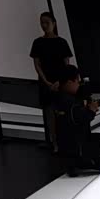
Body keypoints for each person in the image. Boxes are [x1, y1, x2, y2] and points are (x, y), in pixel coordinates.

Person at [54, 65, 100, 176]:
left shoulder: (59, 97)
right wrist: (91, 110)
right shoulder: (71, 103)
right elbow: (81, 119)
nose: (78, 85)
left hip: (64, 143)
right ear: (70, 82)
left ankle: (75, 162)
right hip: (77, 144)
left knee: (98, 137)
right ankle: (81, 161)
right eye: (77, 82)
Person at [30, 12, 73, 153]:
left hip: (60, 82)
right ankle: (55, 142)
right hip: (46, 82)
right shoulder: (37, 42)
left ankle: (65, 141)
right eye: (42, 22)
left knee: (62, 112)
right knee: (49, 114)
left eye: (47, 22)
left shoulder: (62, 42)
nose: (44, 25)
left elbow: (66, 65)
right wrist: (47, 82)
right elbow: (37, 64)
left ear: (54, 23)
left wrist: (59, 81)